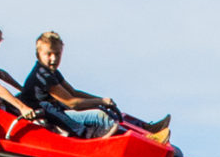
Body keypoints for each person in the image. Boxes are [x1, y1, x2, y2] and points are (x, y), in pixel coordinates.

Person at [21, 32, 169, 141]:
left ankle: (146, 129)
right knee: (99, 116)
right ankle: (147, 140)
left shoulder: (51, 72)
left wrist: (101, 100)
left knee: (108, 111)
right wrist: (100, 102)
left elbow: (73, 92)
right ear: (38, 54)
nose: (53, 59)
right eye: (49, 54)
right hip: (52, 117)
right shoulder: (42, 76)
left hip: (58, 111)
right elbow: (72, 102)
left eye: (57, 54)